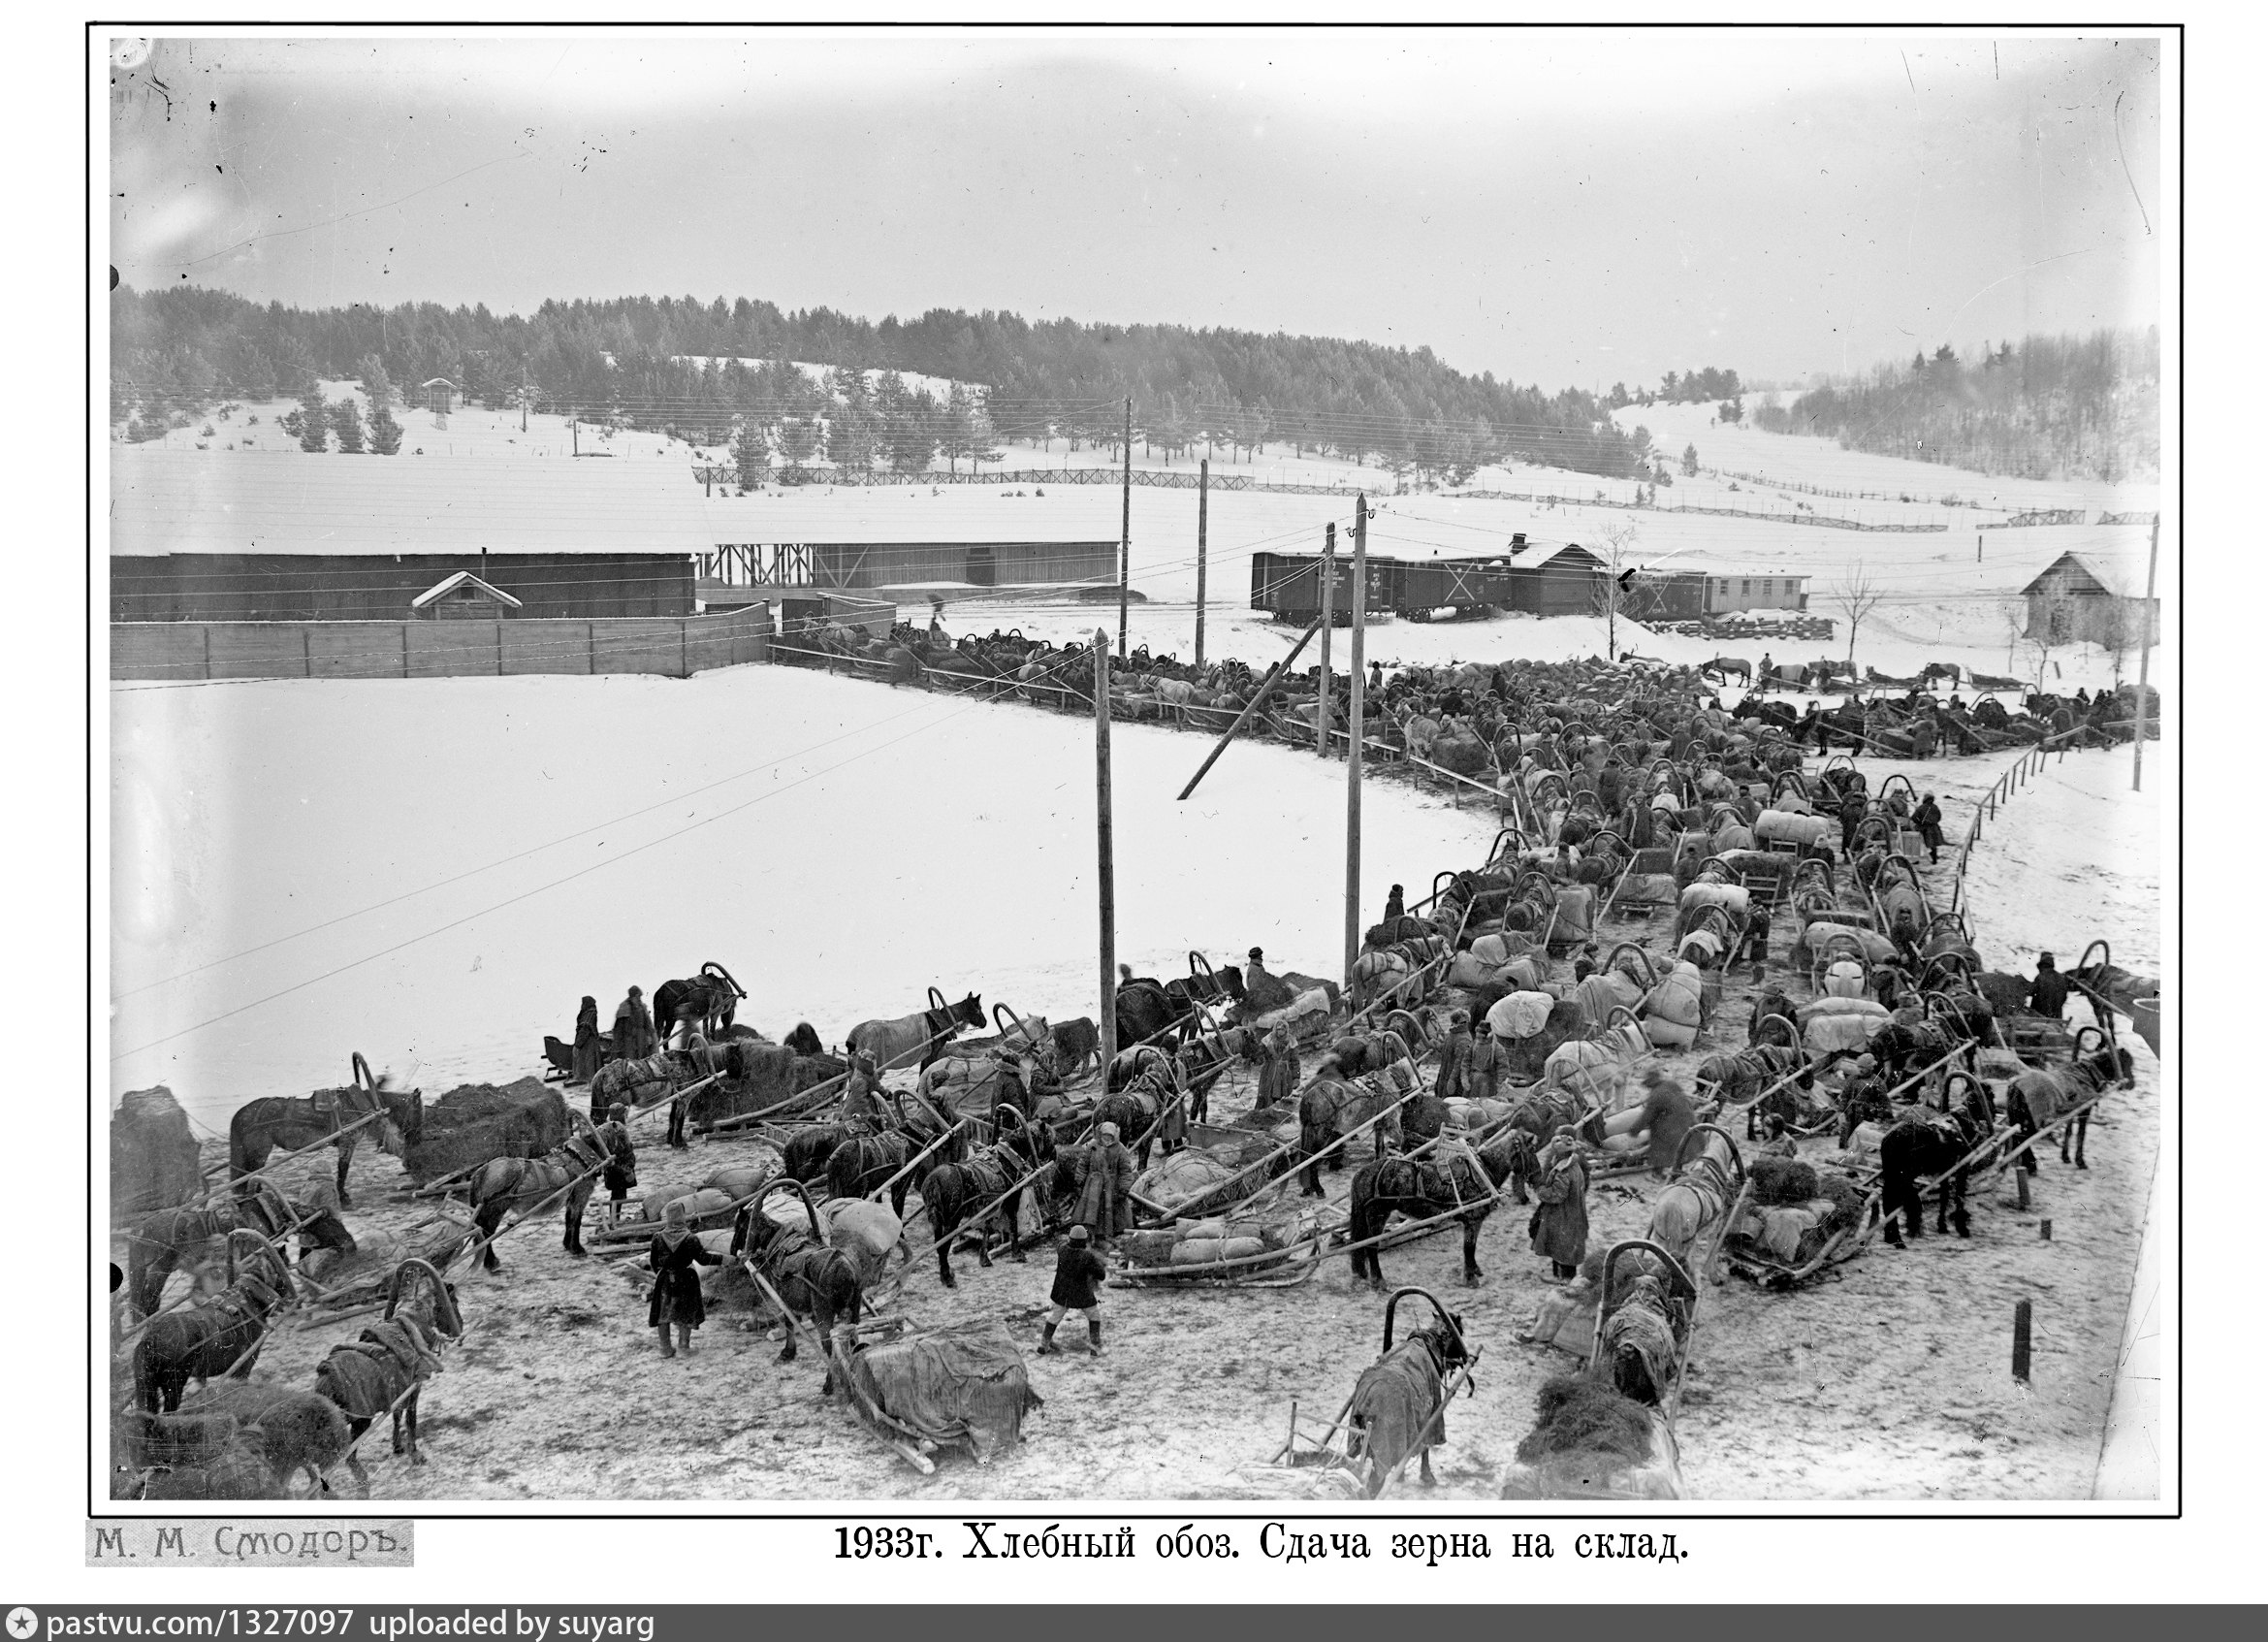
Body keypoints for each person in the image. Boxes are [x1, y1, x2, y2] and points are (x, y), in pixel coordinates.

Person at [646, 1199, 721, 1358]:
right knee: (686, 1311)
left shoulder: (657, 1238)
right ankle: (683, 1347)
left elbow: (654, 1262)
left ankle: (665, 1348)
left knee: (663, 1314)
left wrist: (662, 1274)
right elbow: (703, 1259)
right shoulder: (690, 1238)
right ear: (682, 1217)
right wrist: (723, 1259)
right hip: (686, 1279)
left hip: (665, 1279)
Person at [1591, 1067, 1698, 1176]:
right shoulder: (1670, 1085)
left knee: (1659, 1142)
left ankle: (1658, 1173)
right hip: (1687, 1119)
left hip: (1673, 1124)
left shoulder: (1656, 1095)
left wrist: (1633, 1131)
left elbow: (1646, 1117)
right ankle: (1673, 1167)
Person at [1528, 1127, 1590, 1282]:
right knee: (1568, 1244)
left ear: (1562, 1153)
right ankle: (1564, 1274)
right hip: (1573, 1210)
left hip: (1562, 1213)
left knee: (1561, 1243)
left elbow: (1557, 1195)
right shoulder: (1575, 1166)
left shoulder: (1564, 1171)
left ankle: (1564, 1278)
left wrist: (1541, 1191)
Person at [1038, 1225, 1108, 1357]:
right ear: (1084, 1241)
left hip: (1062, 1293)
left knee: (1054, 1317)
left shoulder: (1062, 1250)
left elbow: (1061, 1244)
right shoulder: (1087, 1256)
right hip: (1082, 1294)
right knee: (1094, 1316)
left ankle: (1043, 1344)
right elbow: (1101, 1275)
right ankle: (1095, 1346)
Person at [1075, 1122, 1136, 1248]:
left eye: (1110, 1137)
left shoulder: (1120, 1149)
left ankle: (1101, 1237)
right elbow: (1083, 1164)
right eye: (1105, 1136)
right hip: (1092, 1185)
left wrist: (1124, 1188)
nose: (1107, 1139)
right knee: (1090, 1212)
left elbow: (1126, 1170)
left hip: (1110, 1186)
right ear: (1100, 1135)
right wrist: (1079, 1180)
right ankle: (1087, 1237)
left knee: (1106, 1212)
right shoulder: (1092, 1146)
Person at [602, 1103, 638, 1228]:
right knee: (618, 1196)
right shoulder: (619, 1130)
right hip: (620, 1171)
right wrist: (628, 1169)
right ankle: (614, 1220)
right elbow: (625, 1151)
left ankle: (614, 1219)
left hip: (613, 1170)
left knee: (617, 1195)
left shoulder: (607, 1128)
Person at [841, 1051, 887, 1134]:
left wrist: (886, 1093)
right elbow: (861, 1101)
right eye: (873, 1062)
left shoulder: (871, 1074)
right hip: (855, 1110)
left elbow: (876, 1086)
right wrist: (871, 1116)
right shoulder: (859, 1079)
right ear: (867, 1063)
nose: (874, 1065)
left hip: (870, 1104)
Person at [613, 986, 655, 1065]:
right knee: (630, 1060)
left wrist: (649, 1035)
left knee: (643, 1059)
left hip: (641, 1037)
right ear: (633, 996)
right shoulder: (624, 1007)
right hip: (629, 1039)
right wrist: (618, 1042)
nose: (639, 998)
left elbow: (647, 1023)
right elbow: (618, 1028)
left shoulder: (642, 1007)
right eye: (637, 996)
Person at [570, 996, 603, 1084]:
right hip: (589, 1042)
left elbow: (584, 1029)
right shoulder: (589, 1012)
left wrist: (577, 1045)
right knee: (590, 1066)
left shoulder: (589, 1013)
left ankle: (590, 1085)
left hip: (588, 1044)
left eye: (583, 1003)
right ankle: (590, 1083)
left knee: (589, 1066)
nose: (581, 1005)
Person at [2030, 952, 2072, 1019]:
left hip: (2039, 1016)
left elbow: (2033, 992)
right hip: (2056, 1017)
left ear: (2042, 964)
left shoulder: (2040, 977)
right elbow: (2064, 997)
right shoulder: (2061, 977)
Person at [1913, 791, 1945, 864]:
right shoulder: (1935, 807)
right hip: (1934, 828)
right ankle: (1934, 860)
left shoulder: (1921, 808)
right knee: (1933, 845)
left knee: (1917, 843)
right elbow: (1939, 817)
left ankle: (1916, 860)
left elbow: (1914, 818)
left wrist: (1920, 822)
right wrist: (1933, 822)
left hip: (1922, 829)